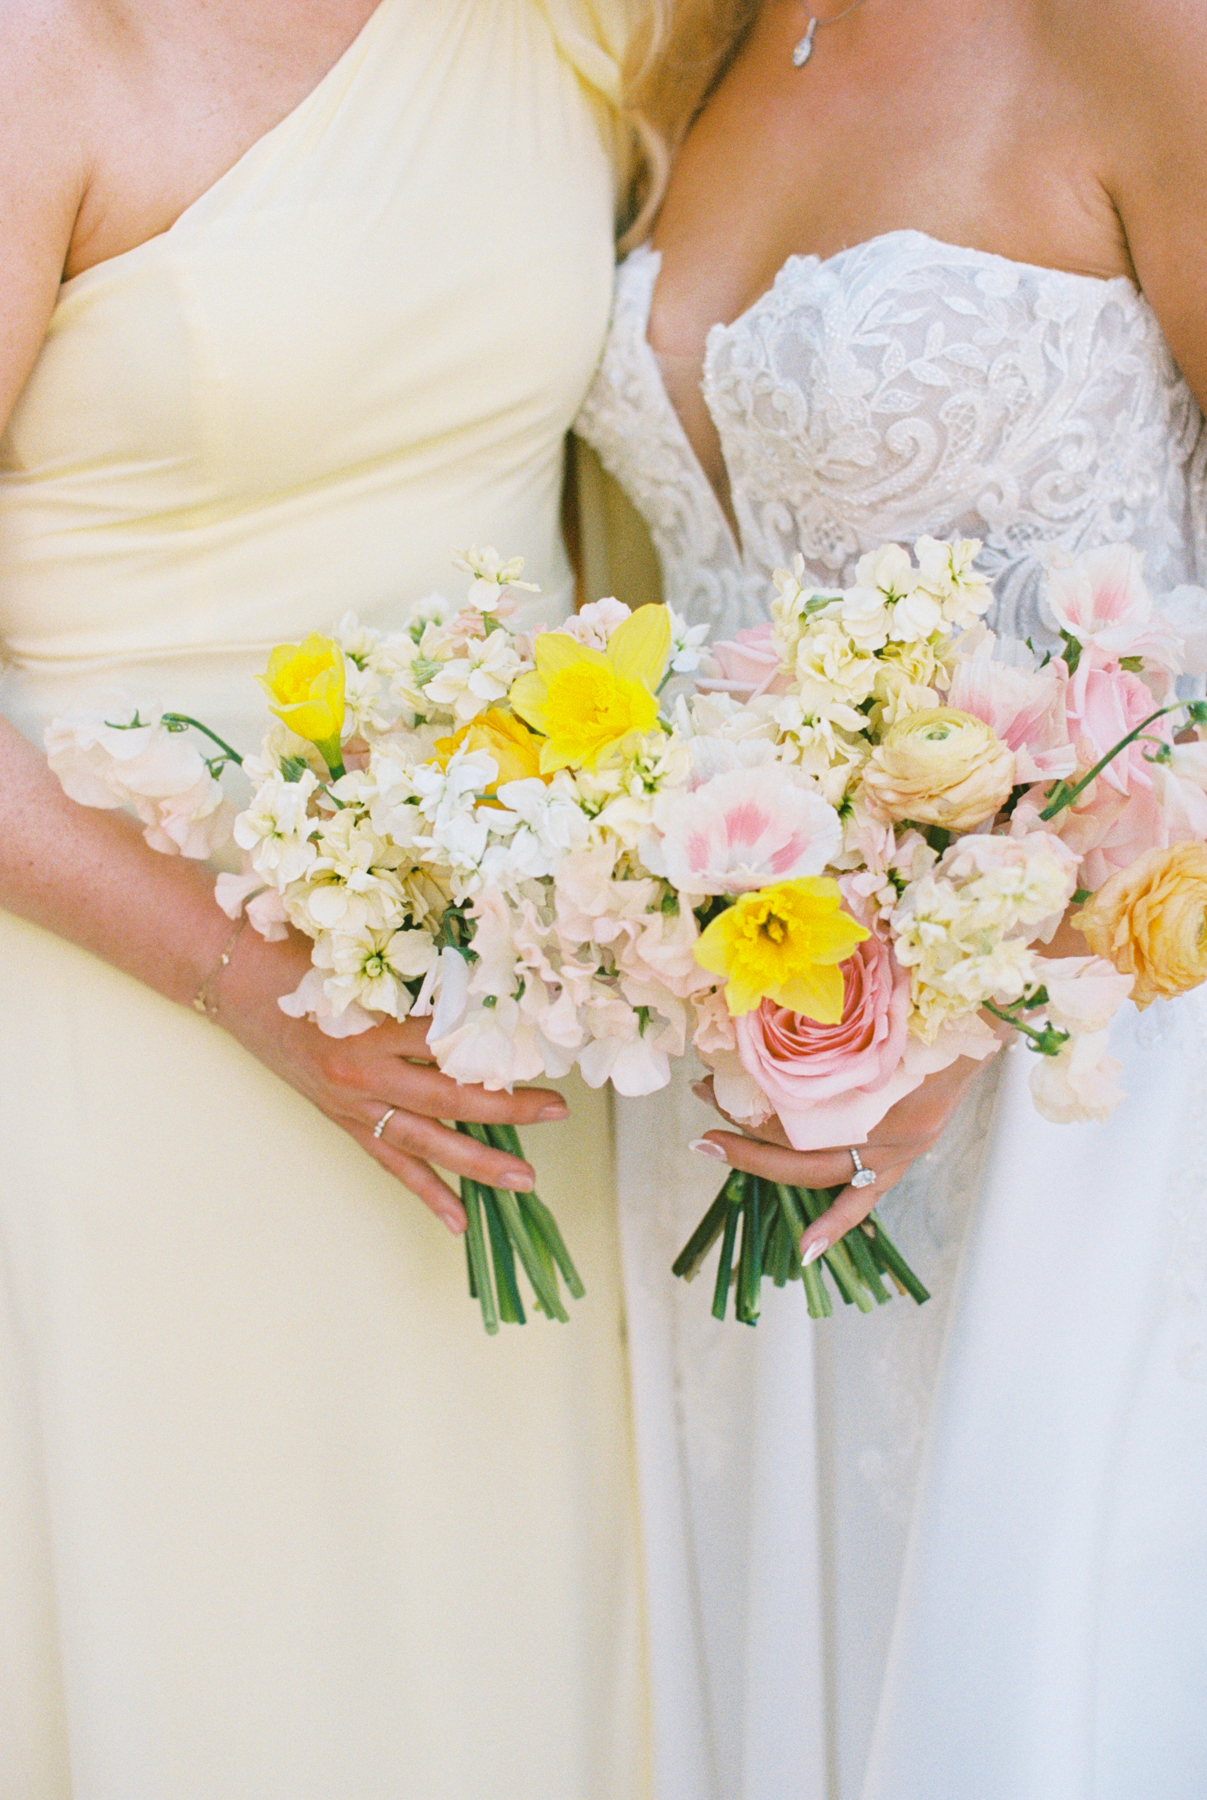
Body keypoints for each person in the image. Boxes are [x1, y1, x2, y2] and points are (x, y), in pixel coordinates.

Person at [0, 3, 651, 1795]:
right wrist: (250, 983)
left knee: (508, 1648)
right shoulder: (43, 62)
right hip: (132, 1006)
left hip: (518, 1013)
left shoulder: (569, 36)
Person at [577, 2, 1207, 1795]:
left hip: (1091, 1087)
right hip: (747, 1096)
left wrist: (988, 977)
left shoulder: (1142, 35)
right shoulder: (694, 46)